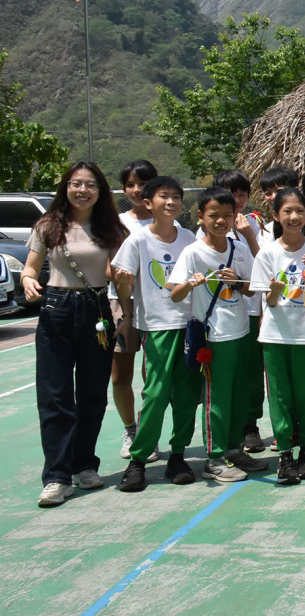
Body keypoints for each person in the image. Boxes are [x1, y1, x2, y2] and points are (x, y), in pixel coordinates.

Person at [22, 162, 128, 507]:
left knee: (93, 393)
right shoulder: (48, 225)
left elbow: (118, 273)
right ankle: (56, 476)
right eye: (76, 184)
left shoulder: (111, 228)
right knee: (54, 395)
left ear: (101, 191)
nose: (83, 190)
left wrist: (125, 307)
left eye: (91, 185)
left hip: (97, 311)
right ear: (65, 187)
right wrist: (27, 282)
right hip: (56, 309)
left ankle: (85, 465)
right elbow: (30, 268)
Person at [167, 187, 263, 483]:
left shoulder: (241, 249)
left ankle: (234, 448)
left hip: (241, 330)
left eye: (227, 215)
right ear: (201, 217)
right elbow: (174, 293)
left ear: (236, 217)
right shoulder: (193, 252)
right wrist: (191, 284)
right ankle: (215, 456)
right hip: (212, 336)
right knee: (217, 398)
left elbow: (251, 288)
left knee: (239, 394)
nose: (221, 221)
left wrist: (237, 281)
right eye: (214, 216)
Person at [112, 176, 201, 491]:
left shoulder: (189, 237)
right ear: (148, 203)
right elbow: (122, 280)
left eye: (177, 196)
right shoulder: (137, 240)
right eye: (164, 196)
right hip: (158, 325)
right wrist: (125, 312)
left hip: (189, 325)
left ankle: (178, 456)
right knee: (157, 393)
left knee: (188, 394)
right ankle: (138, 460)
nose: (172, 202)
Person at [250, 188, 305, 485]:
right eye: (287, 211)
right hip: (275, 337)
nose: (294, 217)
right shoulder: (268, 253)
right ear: (276, 215)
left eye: (299, 211)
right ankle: (285, 454)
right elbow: (268, 302)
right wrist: (273, 291)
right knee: (280, 397)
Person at [212, 169, 266, 454]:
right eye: (231, 192)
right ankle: (226, 432)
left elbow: (266, 265)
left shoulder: (257, 225)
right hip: (221, 312)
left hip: (253, 308)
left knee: (253, 373)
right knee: (226, 375)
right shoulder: (207, 228)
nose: (237, 199)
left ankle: (250, 425)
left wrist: (249, 235)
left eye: (242, 193)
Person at [111, 159, 158, 461]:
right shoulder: (116, 222)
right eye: (130, 184)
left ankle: (148, 433)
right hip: (121, 304)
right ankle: (130, 430)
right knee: (120, 377)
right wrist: (120, 275)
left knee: (152, 379)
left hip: (156, 306)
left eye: (143, 183)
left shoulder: (172, 223)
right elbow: (107, 264)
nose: (137, 189)